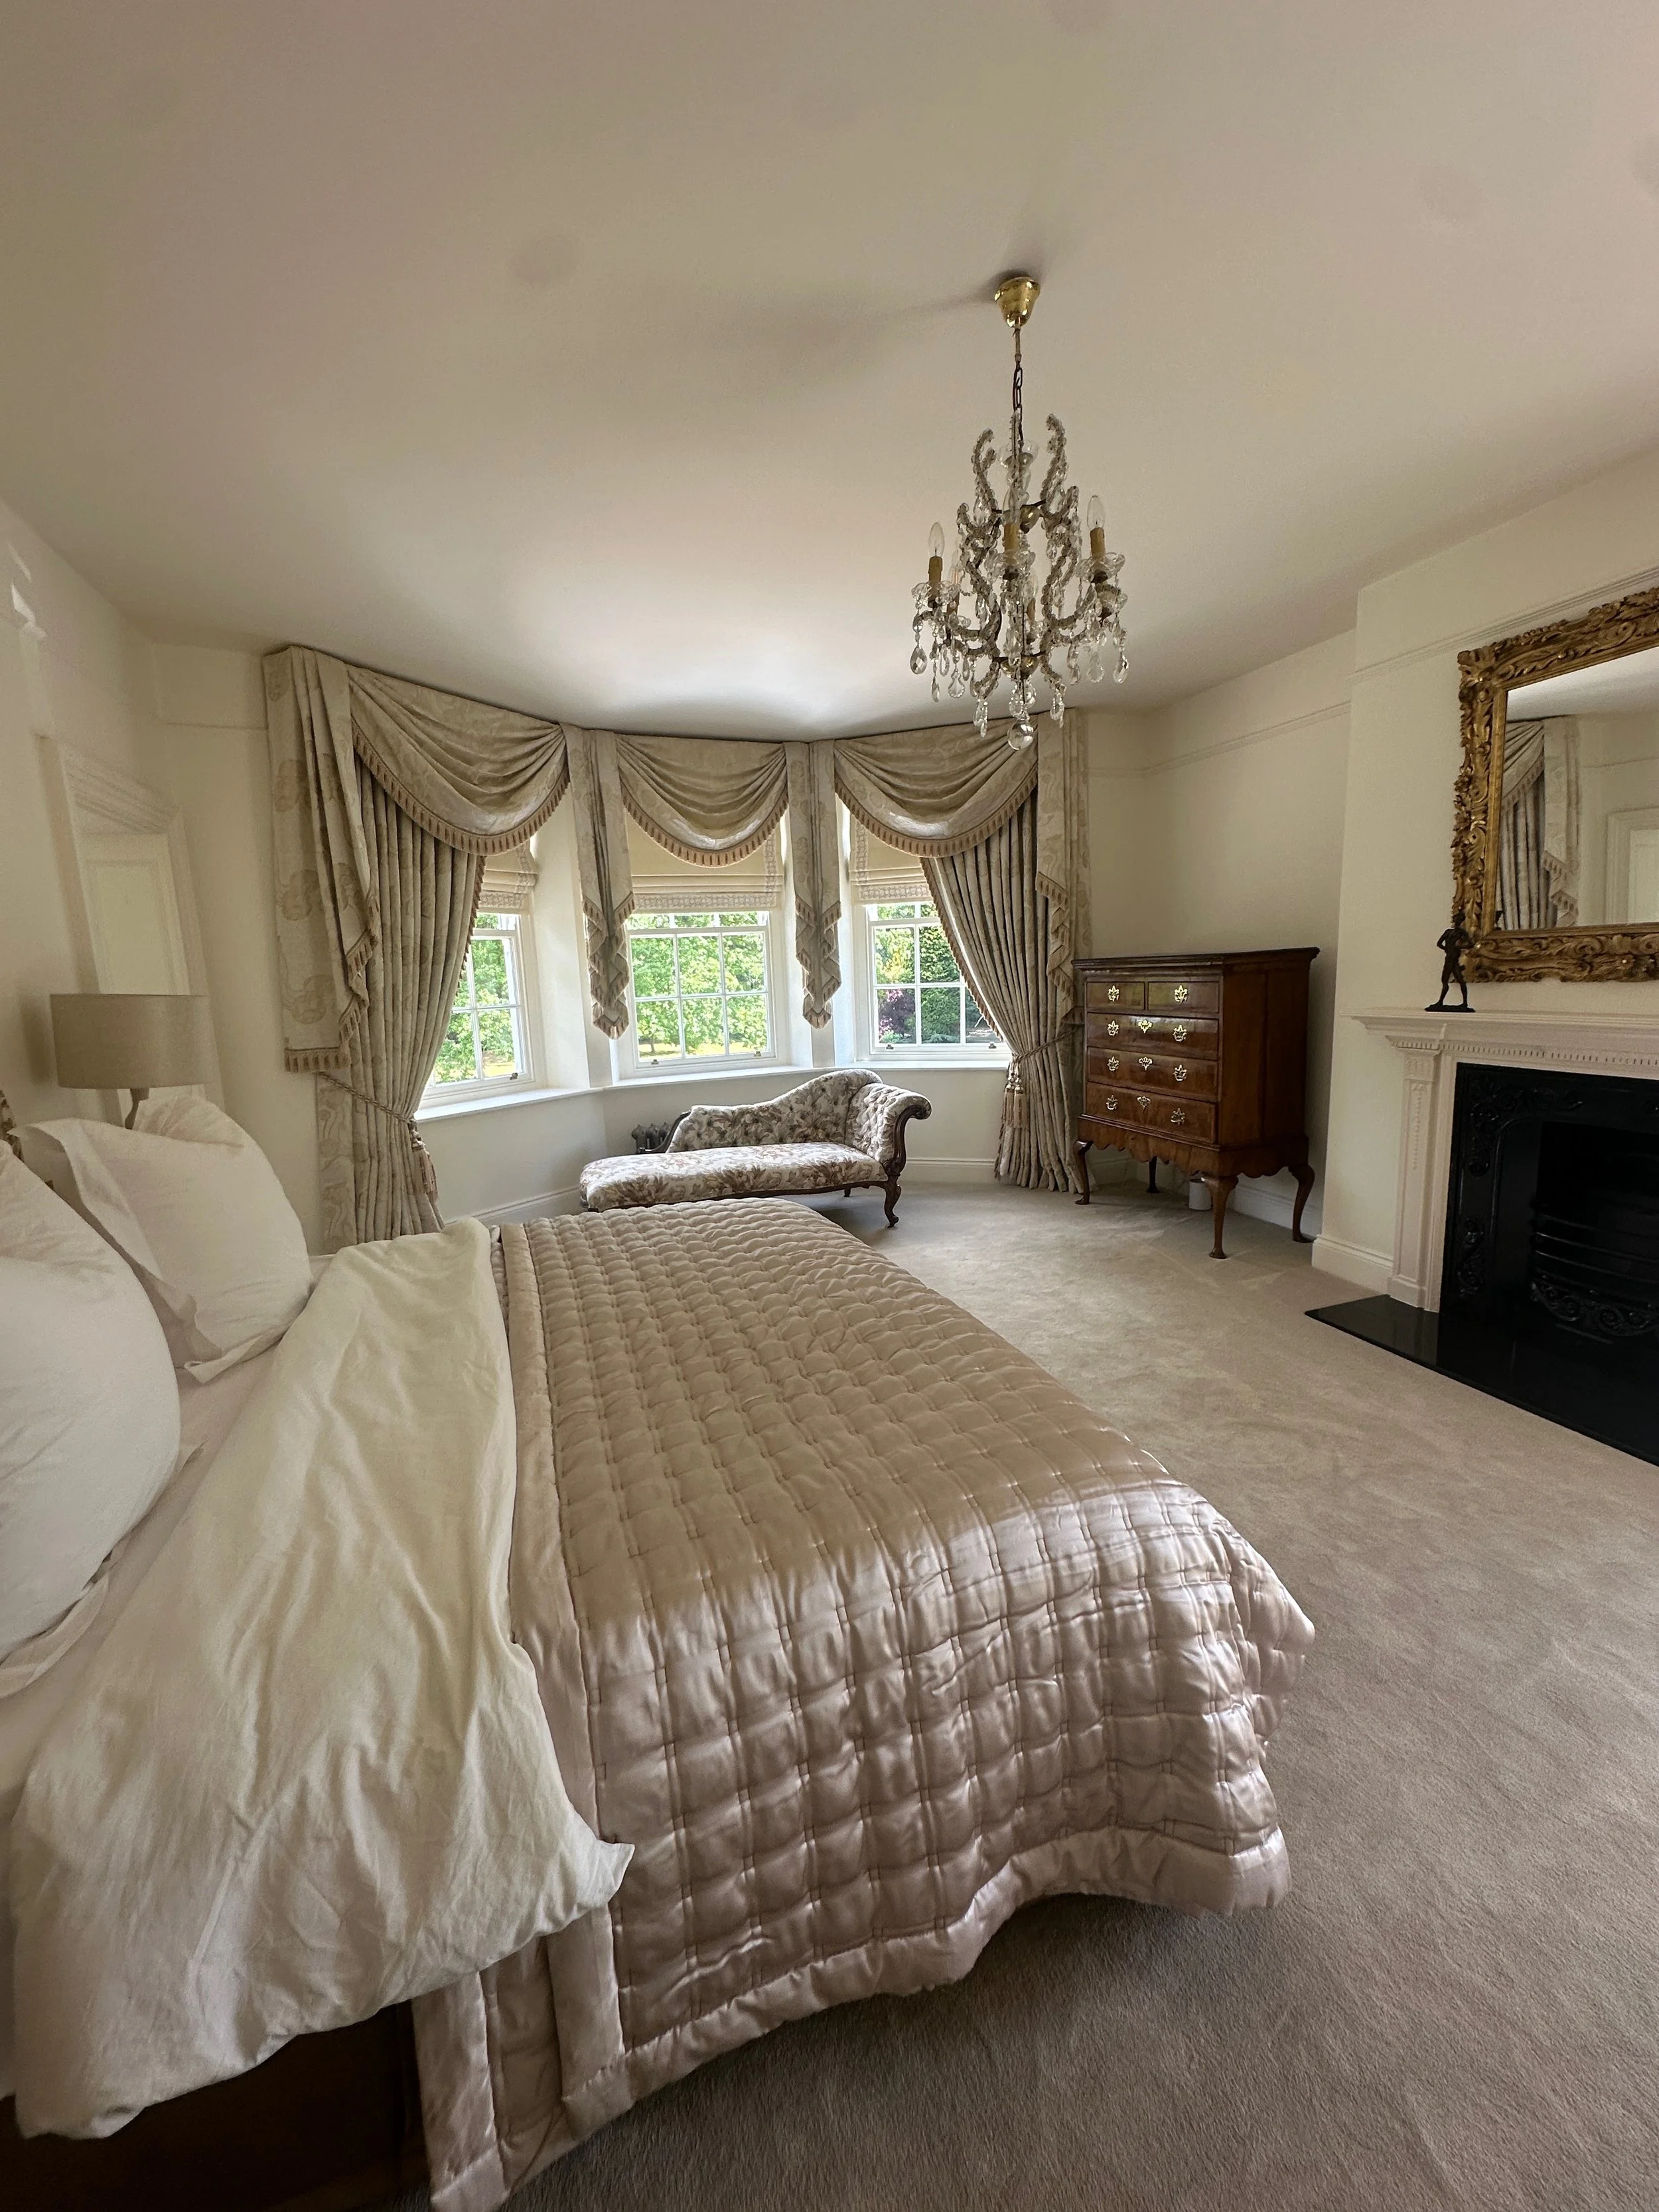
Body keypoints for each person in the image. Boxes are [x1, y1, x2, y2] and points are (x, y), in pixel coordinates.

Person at [1427, 917, 1473, 1011]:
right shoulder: (1448, 932)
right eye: (1456, 920)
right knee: (1445, 981)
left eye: (1459, 921)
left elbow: (1471, 944)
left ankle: (1464, 1003)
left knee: (1461, 981)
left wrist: (1459, 947)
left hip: (1454, 959)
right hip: (1449, 958)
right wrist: (1447, 949)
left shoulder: (1462, 933)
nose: (1457, 922)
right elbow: (1439, 943)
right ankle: (1440, 1002)